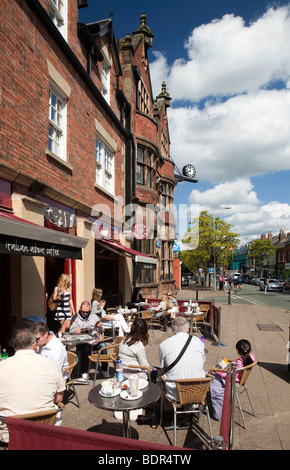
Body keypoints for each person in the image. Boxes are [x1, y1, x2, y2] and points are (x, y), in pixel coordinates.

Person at [0, 328, 65, 443]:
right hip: (44, 429)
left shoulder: (2, 366)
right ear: (34, 344)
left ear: (14, 345)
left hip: (10, 434)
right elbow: (59, 398)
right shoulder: (50, 364)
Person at [159, 316, 206, 402]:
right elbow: (202, 362)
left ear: (172, 329)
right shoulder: (198, 342)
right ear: (187, 329)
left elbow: (163, 369)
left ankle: (165, 407)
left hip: (175, 393)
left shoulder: (164, 344)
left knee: (159, 376)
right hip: (199, 391)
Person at [209, 339, 255, 420]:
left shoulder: (239, 362)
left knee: (211, 374)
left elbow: (227, 375)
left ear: (237, 351)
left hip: (233, 380)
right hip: (241, 380)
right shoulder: (251, 357)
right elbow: (240, 364)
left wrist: (217, 370)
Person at [70, 300, 109, 379]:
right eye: (83, 312)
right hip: (82, 341)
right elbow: (70, 332)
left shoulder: (94, 317)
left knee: (103, 346)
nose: (85, 314)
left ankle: (104, 369)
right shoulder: (75, 318)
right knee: (86, 348)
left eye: (87, 312)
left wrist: (100, 327)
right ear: (80, 308)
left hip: (94, 340)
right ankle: (84, 371)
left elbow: (102, 331)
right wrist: (75, 331)